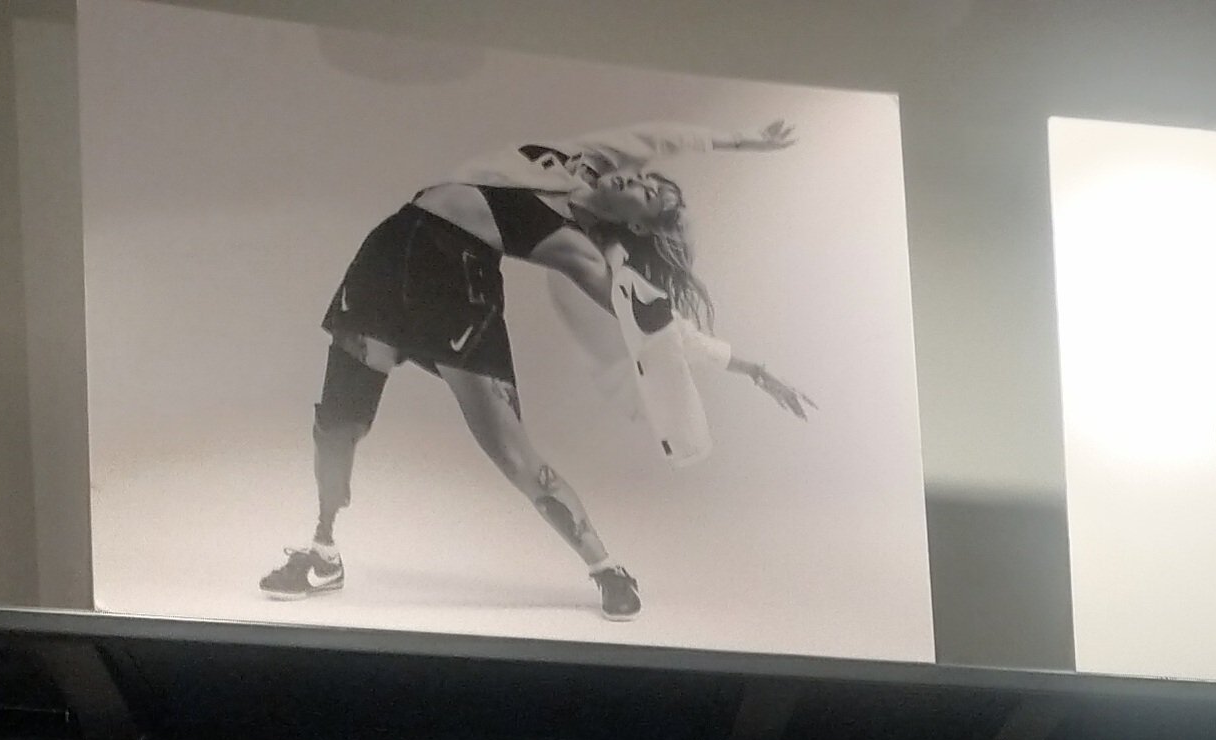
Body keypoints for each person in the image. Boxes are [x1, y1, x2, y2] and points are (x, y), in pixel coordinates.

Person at [262, 120, 815, 622]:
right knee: (337, 422)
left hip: (458, 291)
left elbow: (659, 328)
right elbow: (655, 137)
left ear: (635, 225)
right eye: (648, 179)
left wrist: (752, 368)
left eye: (649, 196)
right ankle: (322, 552)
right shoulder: (577, 161)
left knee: (514, 455)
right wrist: (740, 140)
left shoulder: (577, 249)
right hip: (387, 258)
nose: (639, 180)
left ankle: (606, 568)